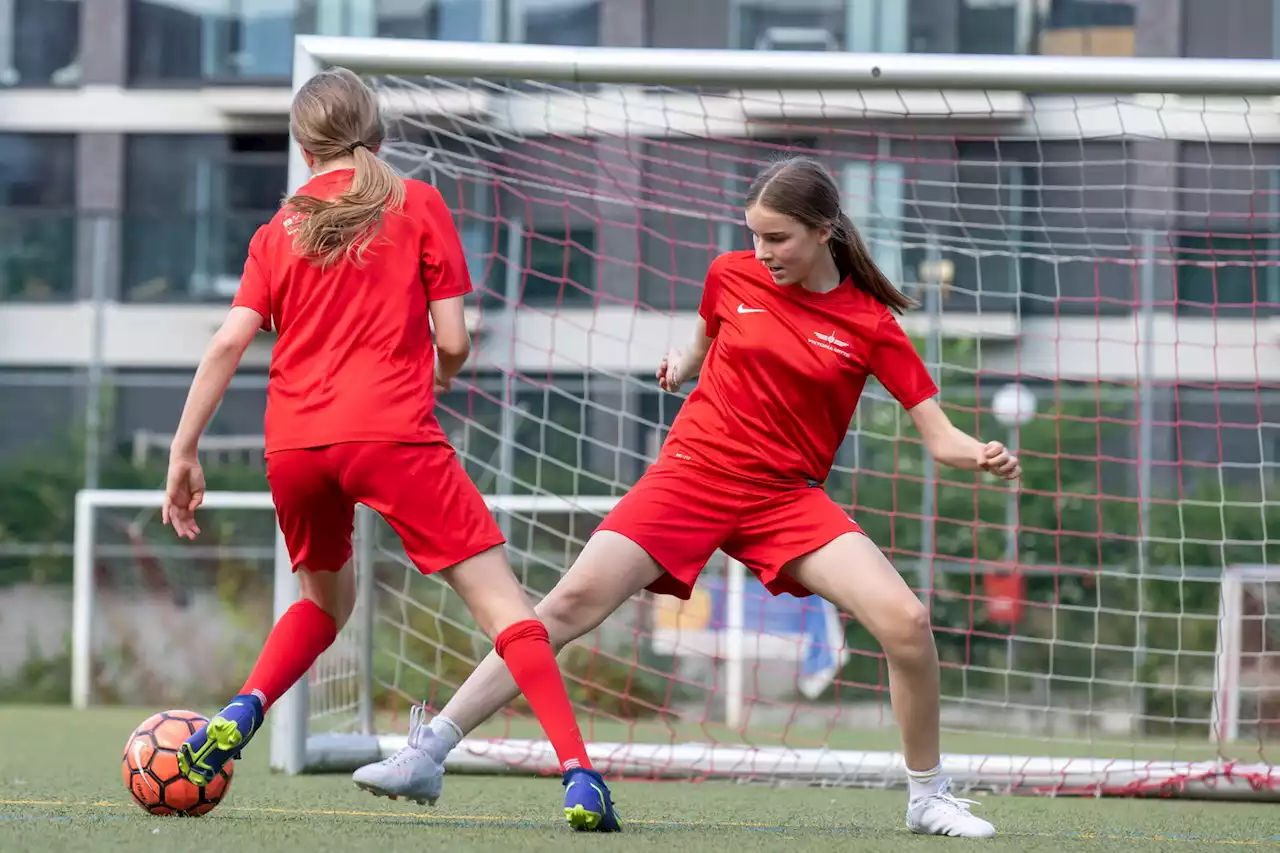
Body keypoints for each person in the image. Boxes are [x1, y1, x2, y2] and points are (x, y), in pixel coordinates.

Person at [353, 155, 1020, 838]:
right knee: (566, 604)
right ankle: (427, 751)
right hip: (691, 474)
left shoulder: (870, 322)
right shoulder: (731, 275)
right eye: (756, 235)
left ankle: (927, 794)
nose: (764, 252)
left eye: (779, 238)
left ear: (824, 231)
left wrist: (980, 452)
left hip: (786, 499)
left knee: (906, 621)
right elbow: (705, 338)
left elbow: (938, 435)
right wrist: (682, 364)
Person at [160, 67, 619, 833]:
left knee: (322, 605)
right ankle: (578, 775)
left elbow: (228, 342)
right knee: (510, 612)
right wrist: (430, 374)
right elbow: (455, 340)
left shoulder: (278, 228)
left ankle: (243, 709)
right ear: (377, 134)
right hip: (394, 435)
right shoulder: (418, 203)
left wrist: (184, 452)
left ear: (305, 150)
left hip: (296, 446)